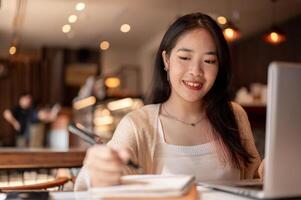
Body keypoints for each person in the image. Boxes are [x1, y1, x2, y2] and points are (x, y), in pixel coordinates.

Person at [75, 12, 263, 190]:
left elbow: (254, 179)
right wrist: (97, 173)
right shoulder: (138, 124)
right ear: (166, 60)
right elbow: (88, 185)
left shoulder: (235, 115)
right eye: (184, 57)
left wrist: (268, 172)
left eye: (209, 61)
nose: (196, 71)